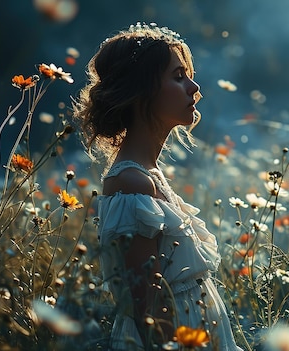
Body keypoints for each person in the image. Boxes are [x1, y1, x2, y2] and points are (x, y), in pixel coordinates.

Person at [73, 22, 242, 351]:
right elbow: (148, 310)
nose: (194, 87)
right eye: (178, 77)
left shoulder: (150, 176)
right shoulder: (131, 184)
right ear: (141, 92)